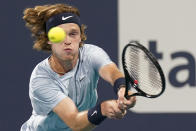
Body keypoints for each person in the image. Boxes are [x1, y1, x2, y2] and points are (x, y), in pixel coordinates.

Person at [21, 3, 136, 131]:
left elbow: (112, 72)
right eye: (59, 35)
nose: (67, 41)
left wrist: (122, 88)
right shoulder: (41, 79)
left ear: (80, 36)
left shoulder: (91, 54)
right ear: (49, 39)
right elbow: (75, 123)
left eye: (73, 34)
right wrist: (102, 109)